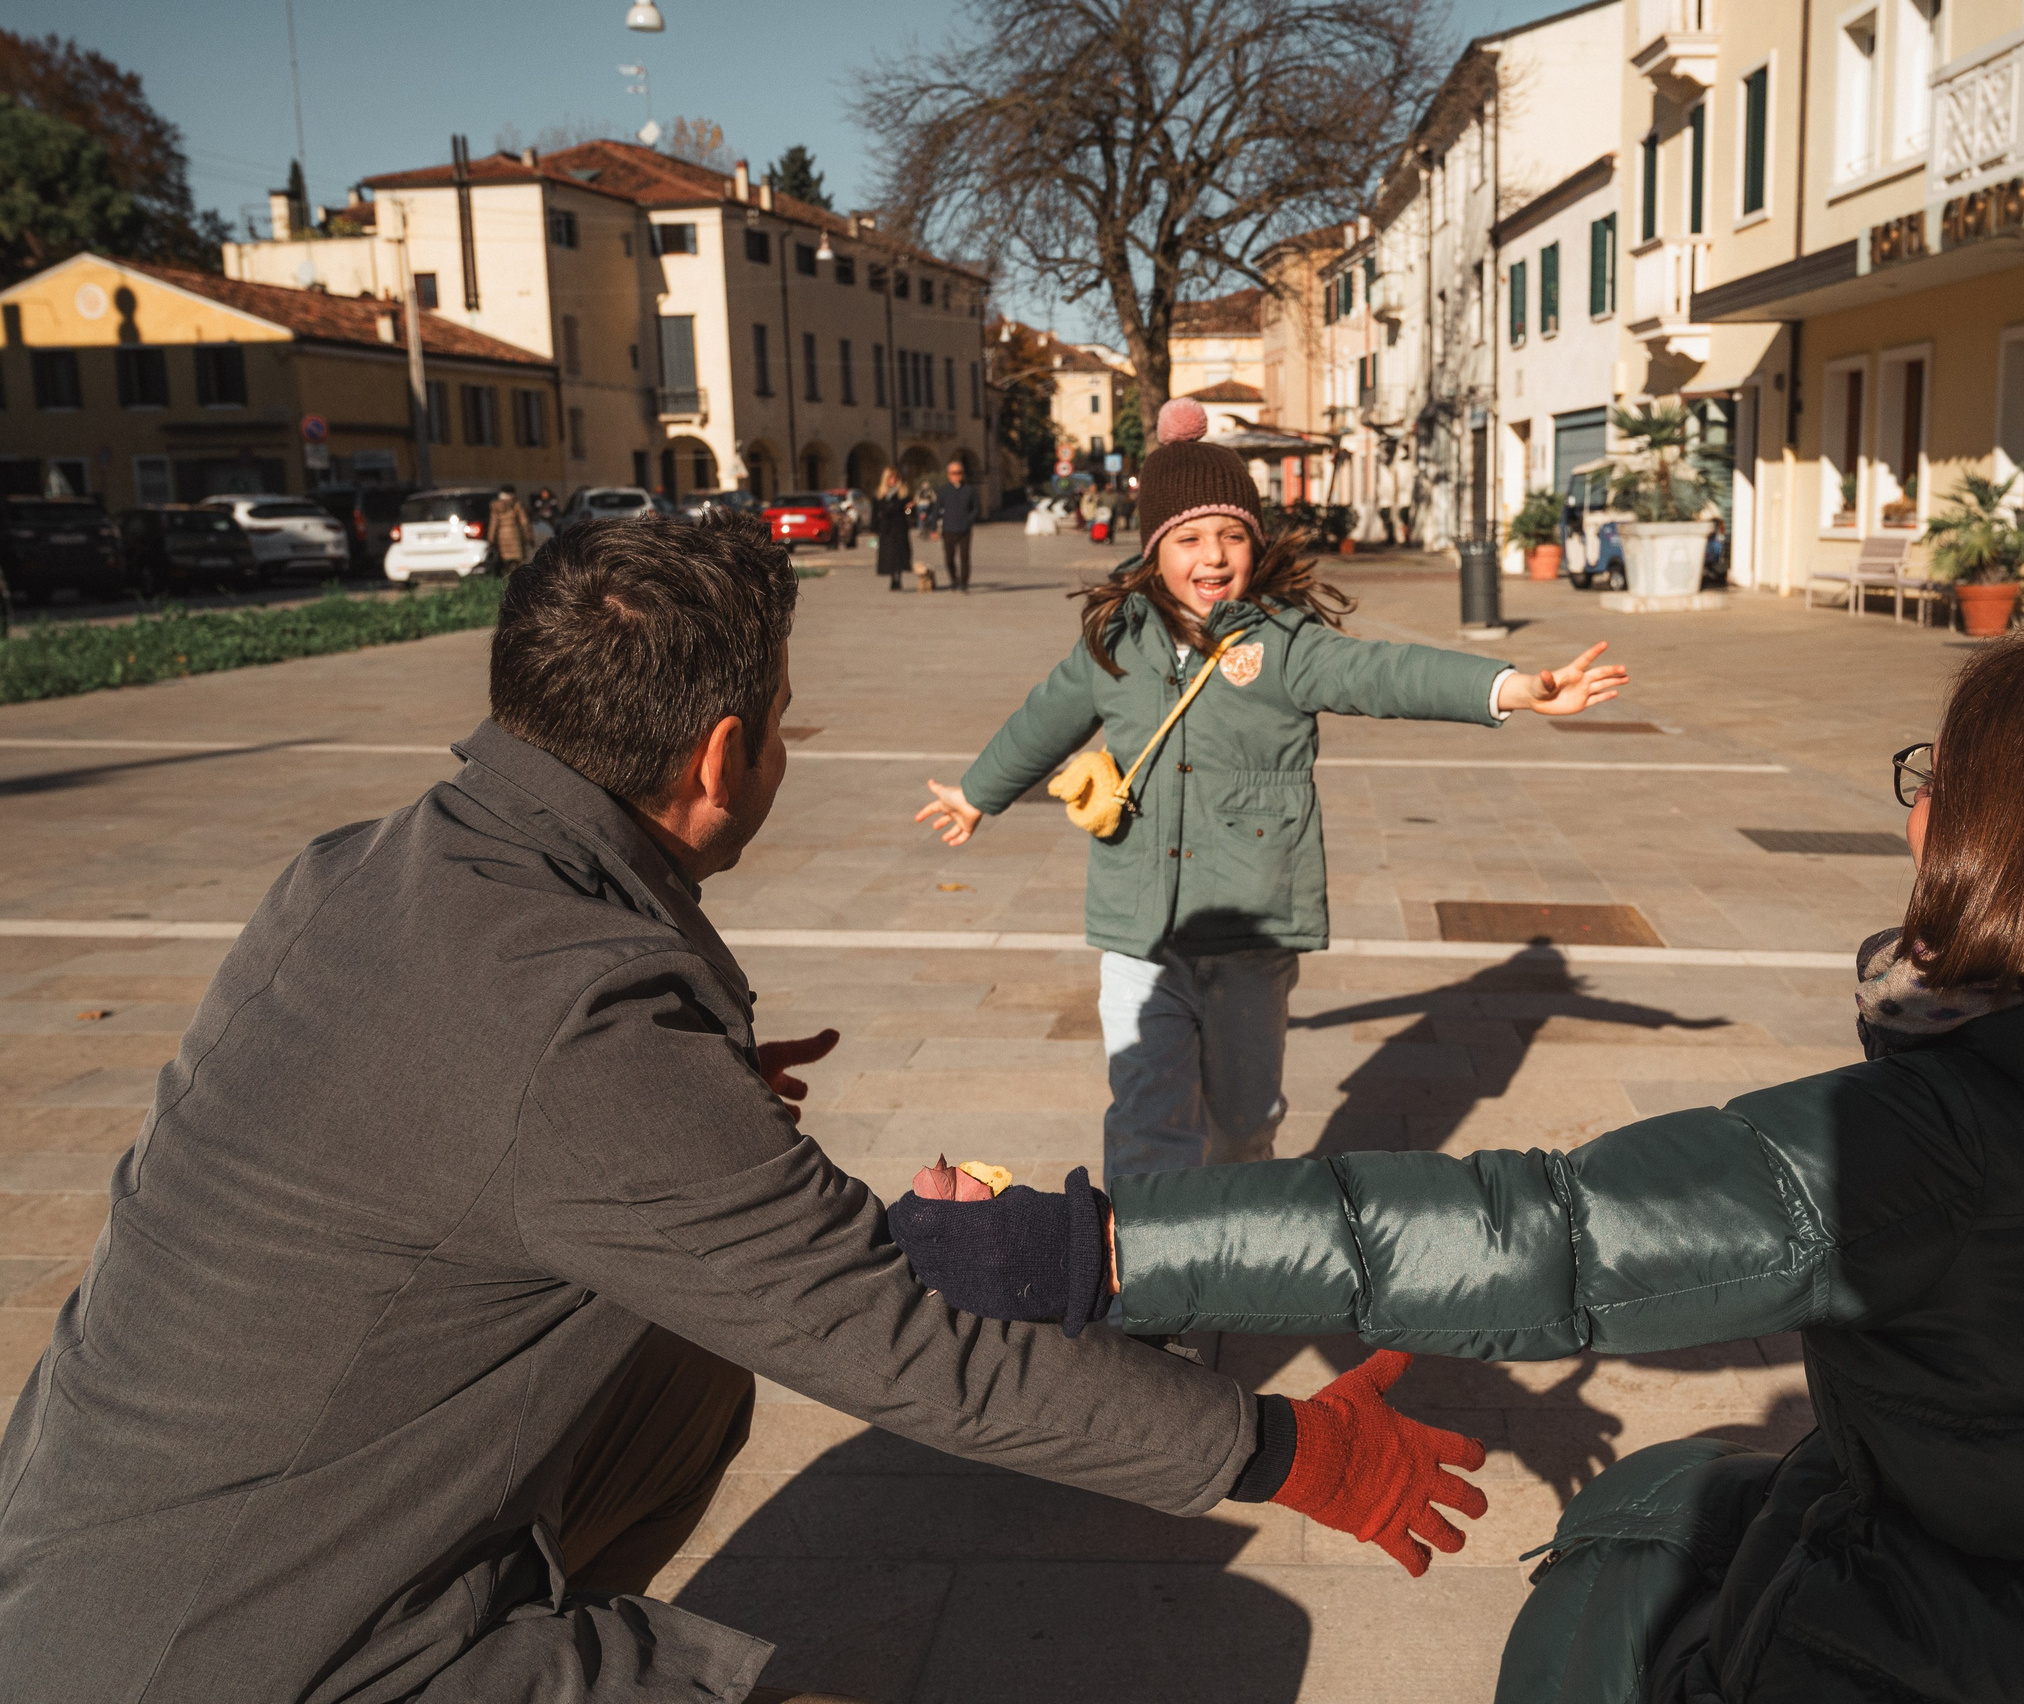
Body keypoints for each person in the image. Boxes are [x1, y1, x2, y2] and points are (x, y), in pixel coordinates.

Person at [0, 511, 1488, 1704]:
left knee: (688, 1358)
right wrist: (1288, 1451)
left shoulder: (359, 866)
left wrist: (676, 1120)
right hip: (254, 1656)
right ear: (722, 757)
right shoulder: (575, 1031)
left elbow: (434, 1110)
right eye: (779, 720)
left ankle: (542, 1594)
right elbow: (902, 1344)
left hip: (89, 1560)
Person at [894, 629, 2024, 1704]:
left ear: (2004, 837)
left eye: (1937, 781)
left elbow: (1547, 1237)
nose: (1914, 810)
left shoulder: (1937, 1139)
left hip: (1933, 1652)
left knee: (1610, 1588)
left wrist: (1098, 1250)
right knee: (1689, 1498)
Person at [913, 398, 1631, 1211]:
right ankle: (1143, 1262)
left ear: (1256, 543)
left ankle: (1241, 1239)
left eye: (1232, 534)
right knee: (1144, 1115)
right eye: (1189, 538)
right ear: (1154, 551)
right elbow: (1044, 718)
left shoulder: (1283, 643)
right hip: (1141, 933)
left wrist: (1513, 689)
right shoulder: (1117, 642)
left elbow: (1384, 673)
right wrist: (977, 793)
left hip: (1252, 935)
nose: (1213, 555)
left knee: (1246, 1122)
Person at [927, 458, 981, 592]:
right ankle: (953, 580)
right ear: (948, 475)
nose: (956, 476)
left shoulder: (969, 490)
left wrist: (969, 520)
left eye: (959, 473)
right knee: (949, 558)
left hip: (964, 530)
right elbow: (936, 510)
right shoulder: (943, 491)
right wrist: (933, 529)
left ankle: (964, 583)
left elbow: (976, 508)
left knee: (964, 557)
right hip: (948, 530)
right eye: (953, 473)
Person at [873, 467, 914, 592]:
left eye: (895, 477)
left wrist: (909, 509)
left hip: (900, 527)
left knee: (899, 553)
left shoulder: (903, 493)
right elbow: (875, 513)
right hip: (886, 528)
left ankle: (898, 578)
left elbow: (909, 511)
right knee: (889, 554)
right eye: (891, 478)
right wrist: (874, 529)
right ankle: (892, 577)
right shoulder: (880, 494)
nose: (893, 480)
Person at [489, 482, 532, 572]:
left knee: (506, 561)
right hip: (515, 536)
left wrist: (491, 539)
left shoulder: (496, 506)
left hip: (502, 537)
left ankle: (507, 575)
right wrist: (529, 537)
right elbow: (524, 523)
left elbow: (493, 525)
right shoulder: (516, 505)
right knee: (517, 562)